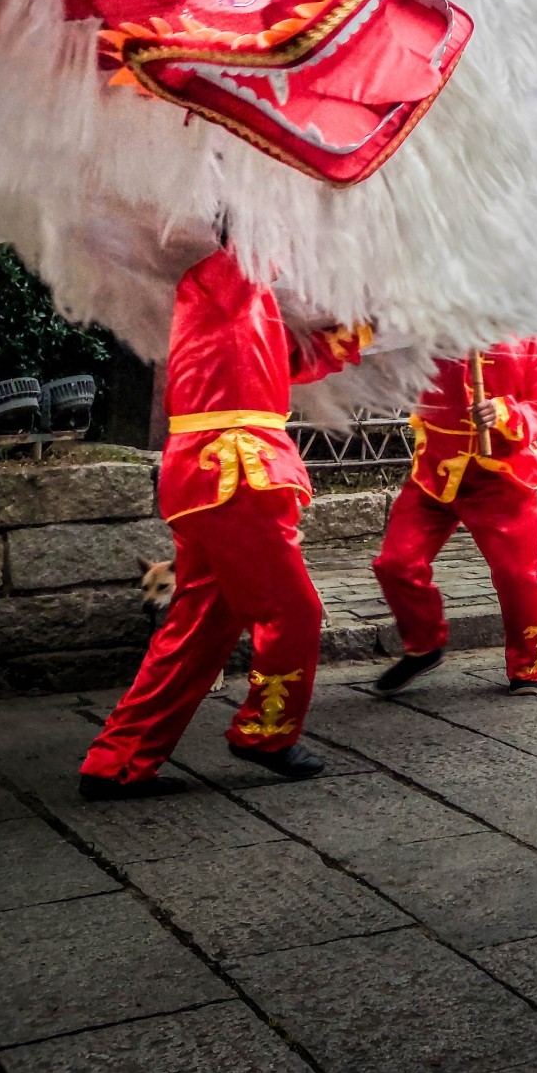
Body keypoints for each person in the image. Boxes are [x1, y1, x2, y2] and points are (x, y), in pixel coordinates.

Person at [80, 247, 366, 798]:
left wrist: (370, 319)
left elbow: (292, 359)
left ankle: (117, 761)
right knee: (294, 610)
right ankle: (265, 733)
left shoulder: (242, 299)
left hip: (217, 479)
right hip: (232, 478)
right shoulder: (220, 279)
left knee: (197, 630)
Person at [371, 338, 537, 696]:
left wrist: (503, 412)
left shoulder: (531, 343)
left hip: (502, 480)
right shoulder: (429, 332)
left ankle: (527, 665)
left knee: (516, 577)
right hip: (435, 471)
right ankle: (423, 645)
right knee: (396, 563)